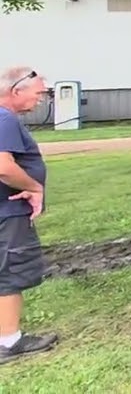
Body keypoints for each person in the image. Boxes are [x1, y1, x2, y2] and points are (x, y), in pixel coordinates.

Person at [0, 67, 56, 364]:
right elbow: (3, 166)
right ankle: (8, 342)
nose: (40, 100)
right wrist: (33, 187)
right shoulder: (4, 118)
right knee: (9, 273)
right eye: (37, 94)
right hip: (8, 212)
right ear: (16, 91)